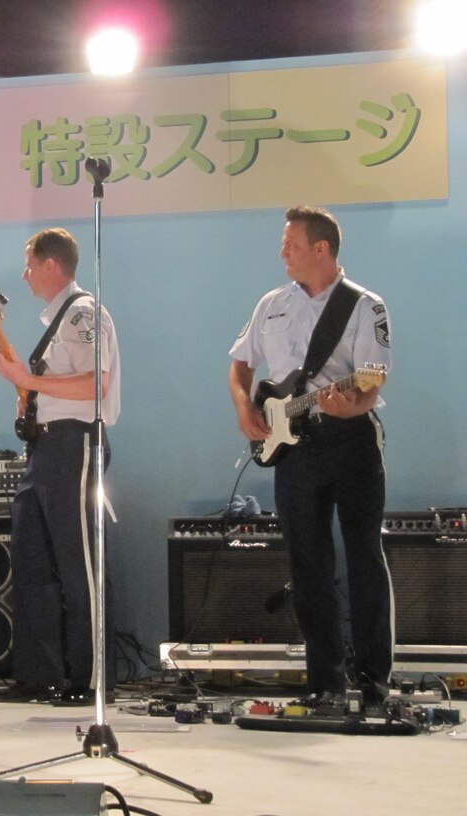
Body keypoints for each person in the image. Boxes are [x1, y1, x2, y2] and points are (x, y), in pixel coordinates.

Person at [228, 205, 393, 708]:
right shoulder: (271, 304)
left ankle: (373, 679)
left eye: (291, 244)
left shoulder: (365, 306)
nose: (282, 252)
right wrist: (244, 408)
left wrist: (353, 405)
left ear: (321, 249)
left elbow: (372, 380)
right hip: (293, 451)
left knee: (363, 556)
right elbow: (240, 365)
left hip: (350, 440)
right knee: (307, 564)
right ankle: (325, 681)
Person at [0, 227, 121, 706]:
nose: (24, 276)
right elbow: (47, 386)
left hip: (74, 444)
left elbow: (96, 384)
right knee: (31, 560)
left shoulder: (84, 312)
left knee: (78, 563)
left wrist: (27, 381)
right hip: (44, 448)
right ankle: (39, 674)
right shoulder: (57, 319)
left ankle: (91, 680)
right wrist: (25, 390)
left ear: (51, 265)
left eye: (29, 266)